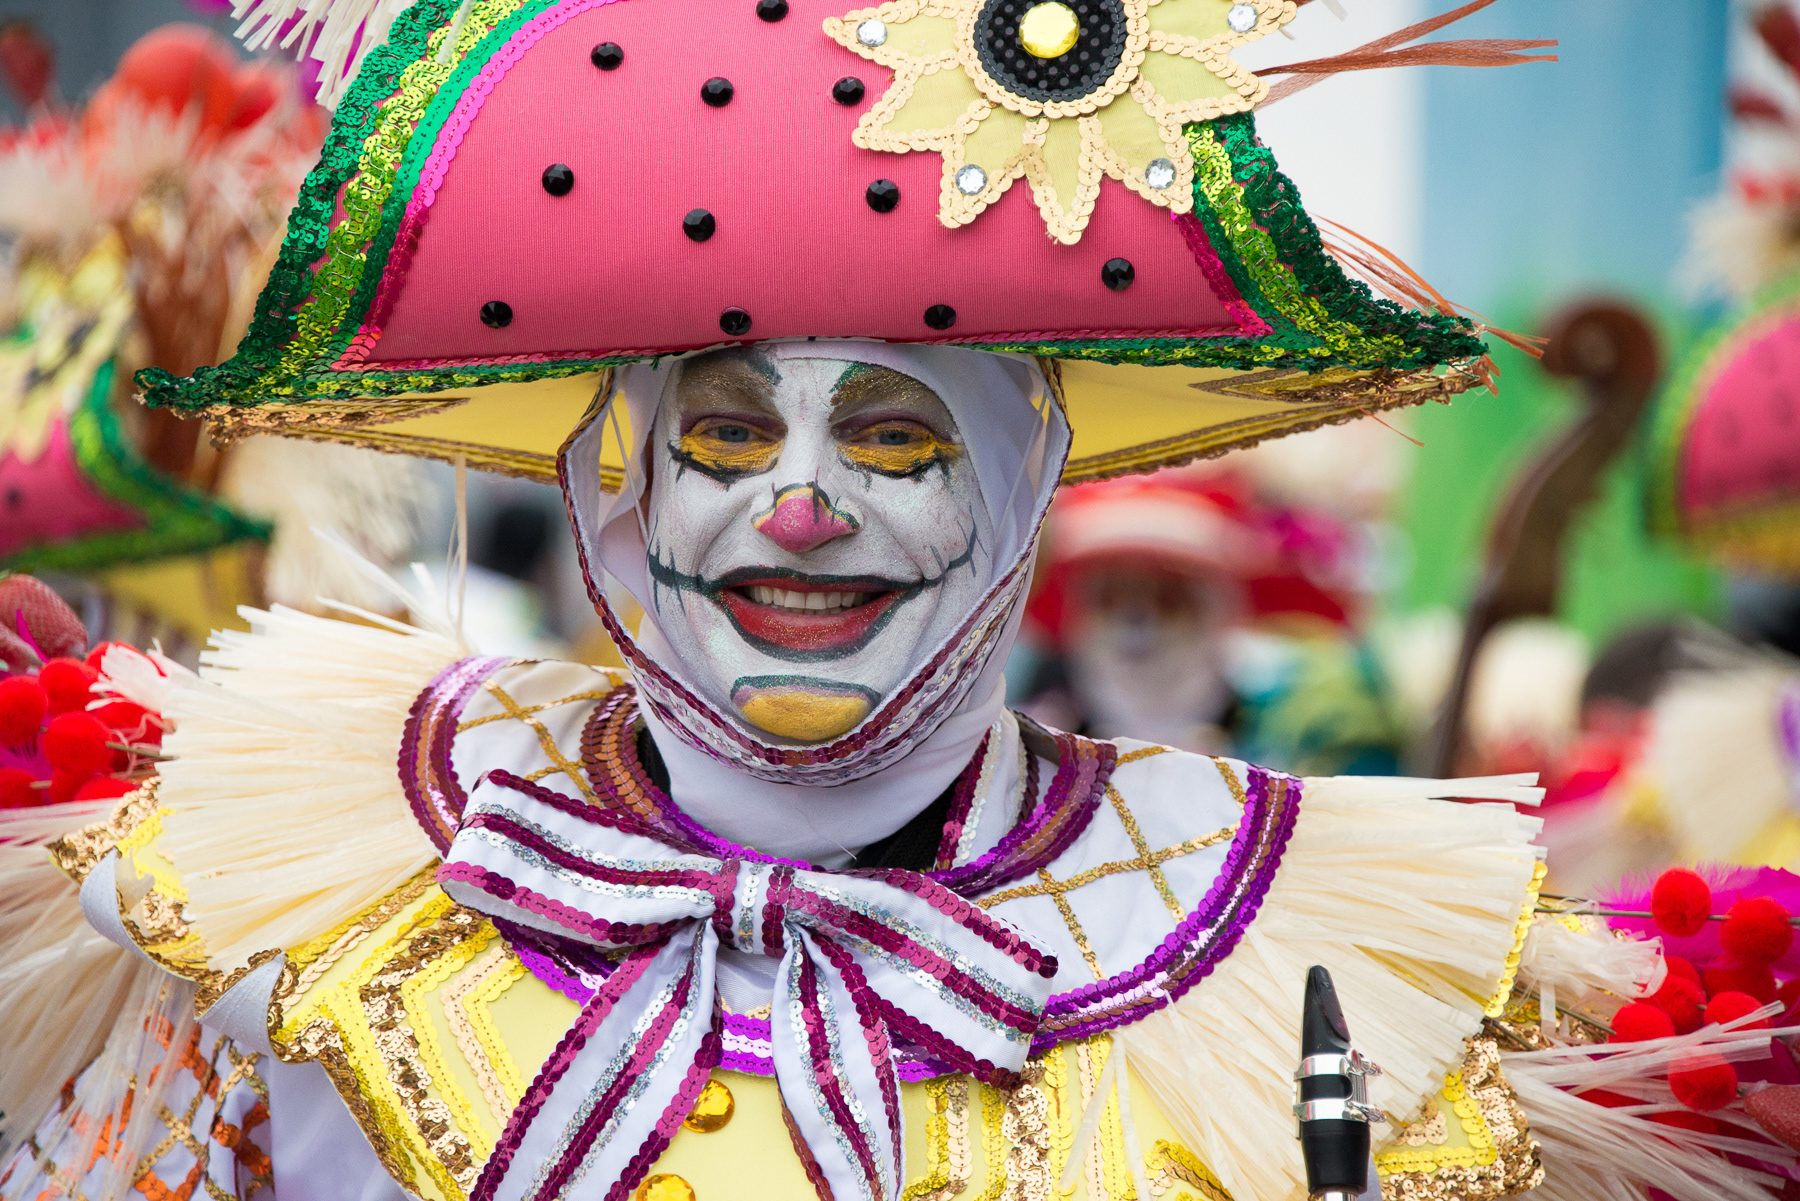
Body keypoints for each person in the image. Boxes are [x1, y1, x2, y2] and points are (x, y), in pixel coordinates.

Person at [1, 4, 1756, 1201]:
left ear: (1024, 488)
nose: (799, 505)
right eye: (726, 429)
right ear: (614, 490)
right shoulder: (289, 896)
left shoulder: (1295, 966)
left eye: (897, 435)